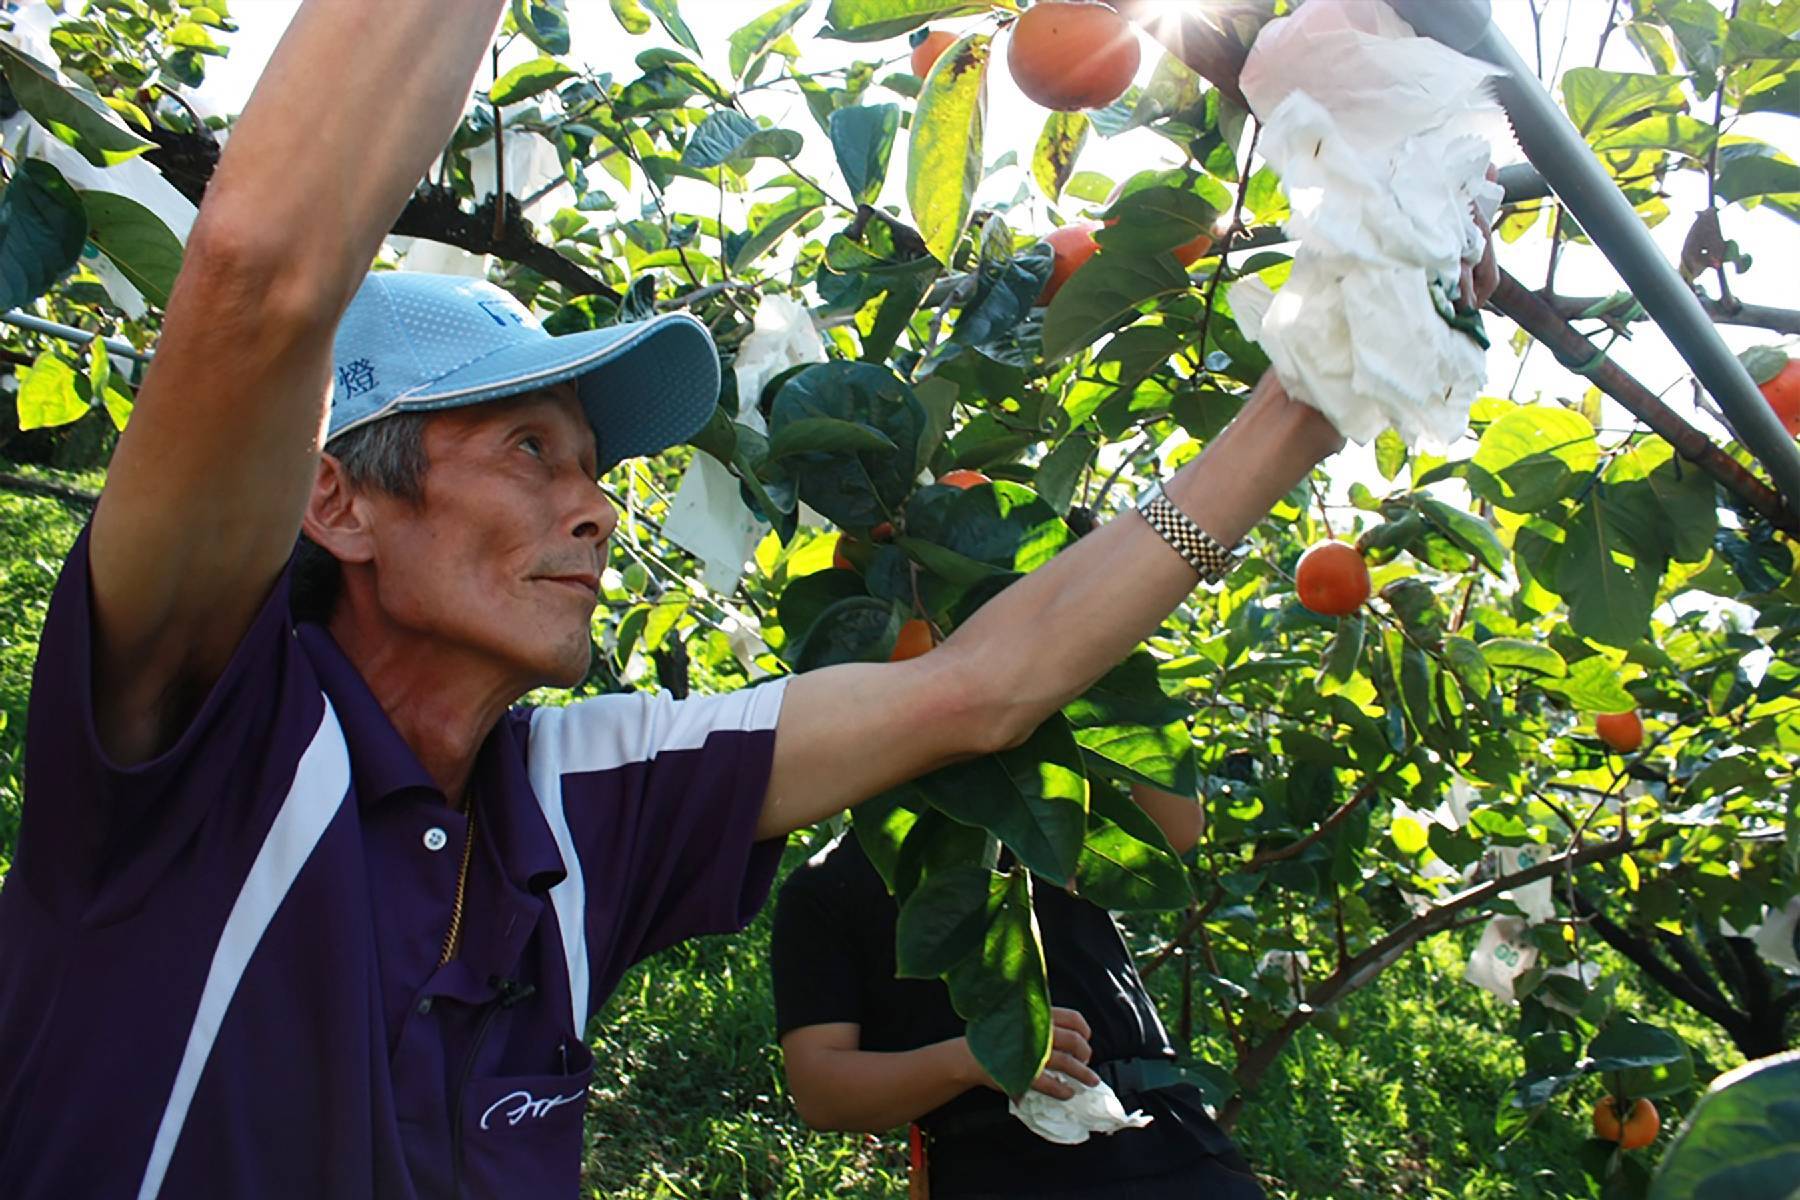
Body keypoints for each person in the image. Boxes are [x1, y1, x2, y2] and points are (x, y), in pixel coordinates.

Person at [0, 1, 1496, 1197]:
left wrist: (1313, 387)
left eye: (595, 464)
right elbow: (262, 275)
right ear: (340, 500)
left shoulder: (585, 805)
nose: (593, 506)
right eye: (529, 449)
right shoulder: (201, 727)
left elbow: (981, 686)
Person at [772, 789, 1264, 1200]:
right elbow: (822, 1090)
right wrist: (975, 1059)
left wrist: (1114, 671)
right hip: (1003, 1165)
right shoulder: (825, 889)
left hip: (1173, 1137)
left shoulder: (1040, 816)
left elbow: (1171, 830)